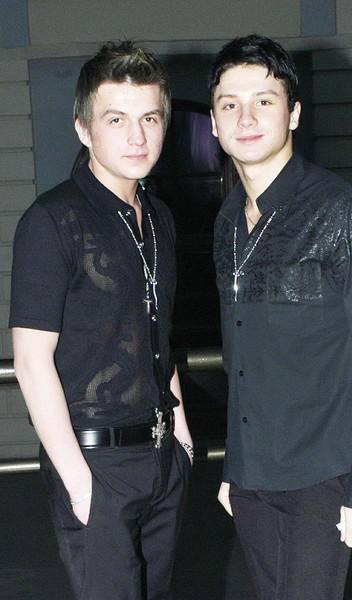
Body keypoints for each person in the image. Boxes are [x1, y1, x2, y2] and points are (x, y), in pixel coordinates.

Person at [209, 34, 352, 600]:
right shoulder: (227, 221)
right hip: (252, 478)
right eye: (229, 104)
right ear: (213, 123)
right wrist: (234, 467)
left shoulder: (342, 211)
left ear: (293, 113)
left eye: (264, 101)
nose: (245, 117)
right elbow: (242, 356)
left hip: (323, 476)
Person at [9, 41, 193, 600]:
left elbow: (159, 333)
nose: (137, 137)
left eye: (149, 118)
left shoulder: (158, 217)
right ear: (84, 128)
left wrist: (183, 440)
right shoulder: (52, 220)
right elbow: (31, 361)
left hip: (162, 456)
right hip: (96, 463)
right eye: (116, 119)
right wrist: (79, 482)